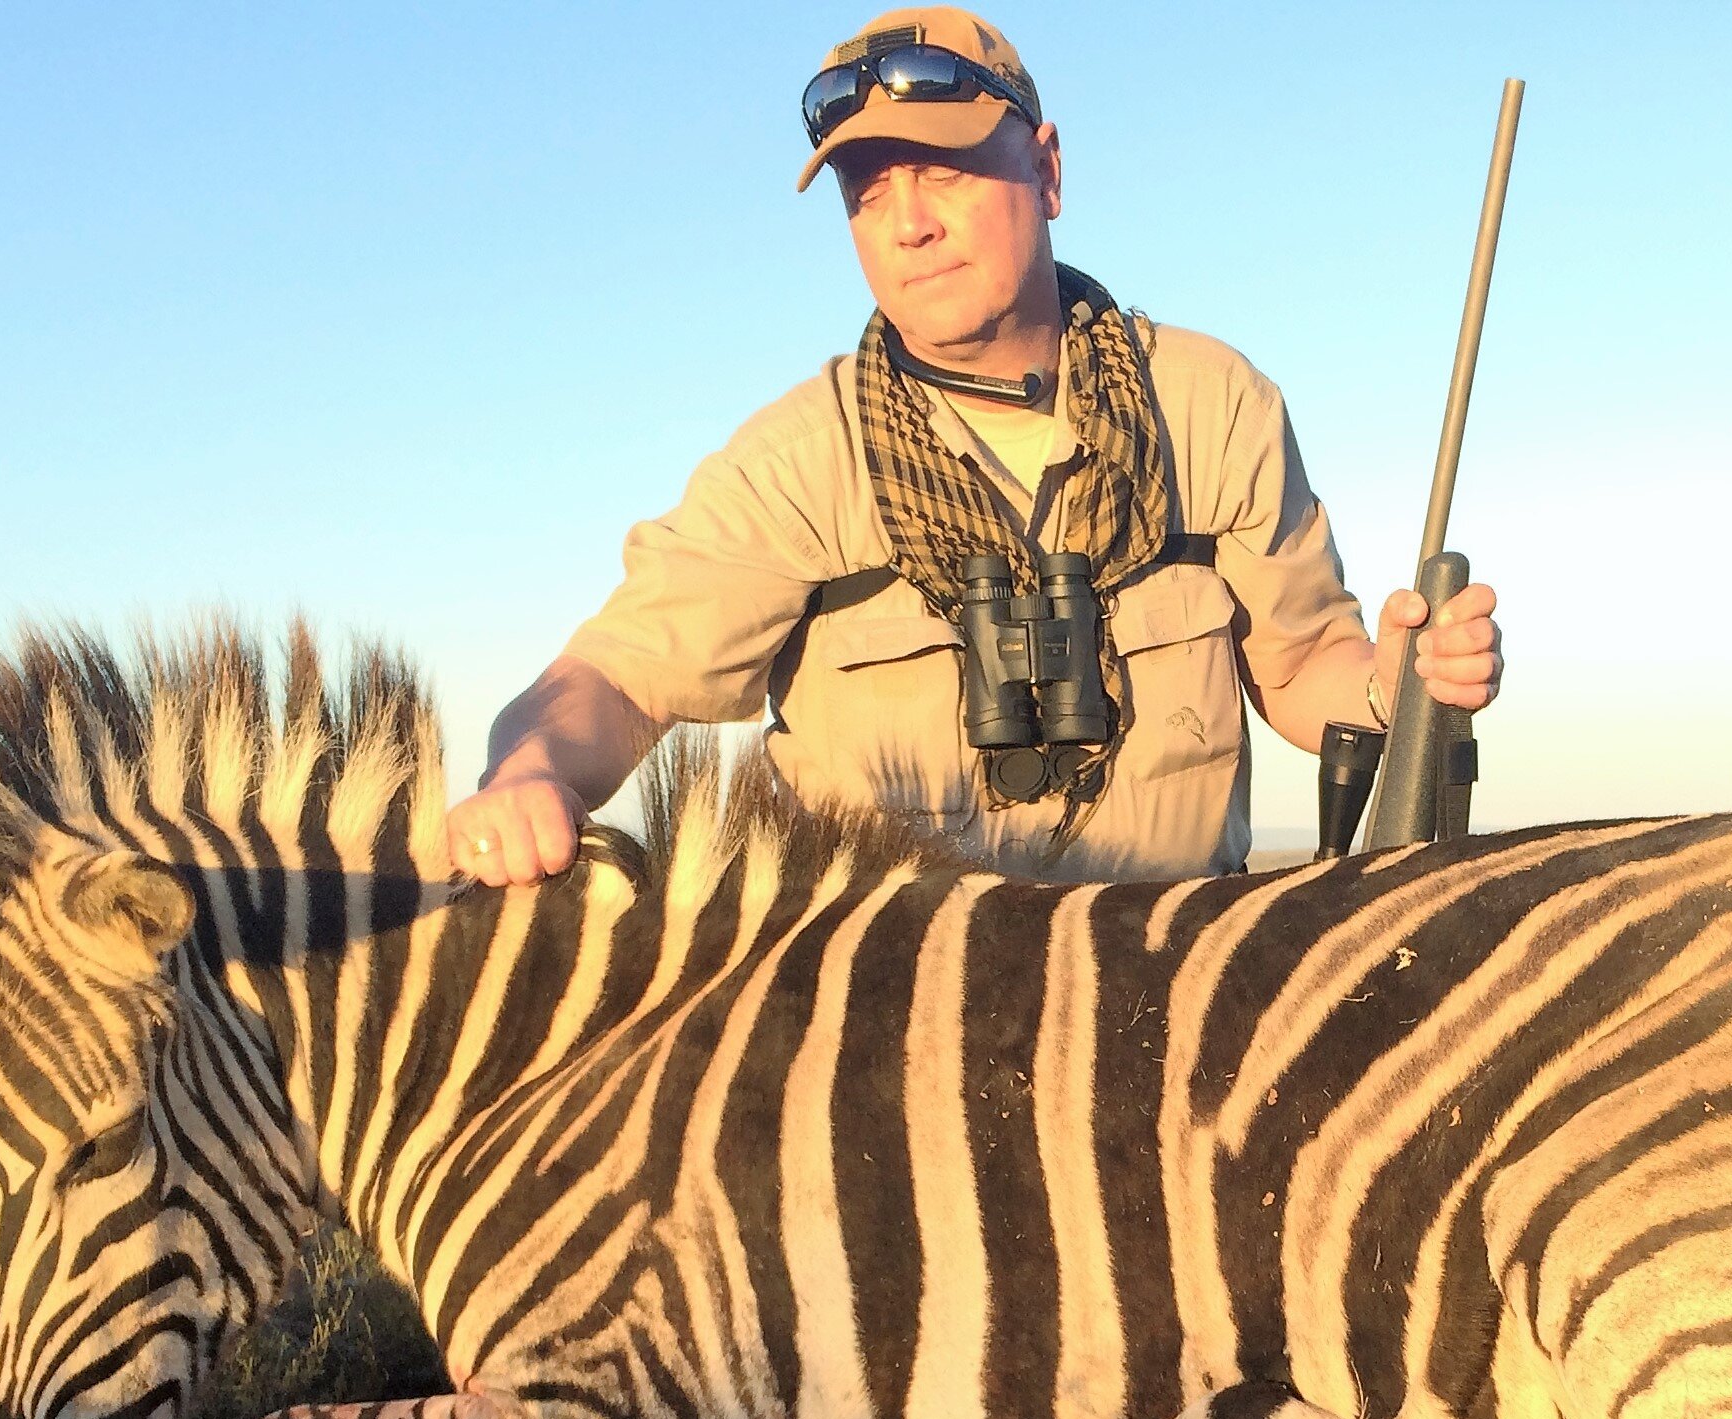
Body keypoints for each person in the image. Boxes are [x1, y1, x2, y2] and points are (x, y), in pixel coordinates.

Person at [424, 7, 1503, 888]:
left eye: (942, 171)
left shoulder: (1214, 406)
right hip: (897, 1042)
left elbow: (1308, 664)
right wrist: (530, 773)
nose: (906, 225)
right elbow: (612, 683)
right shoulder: (799, 462)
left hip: (1176, 1016)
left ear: (1047, 171)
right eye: (869, 190)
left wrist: (1394, 684)